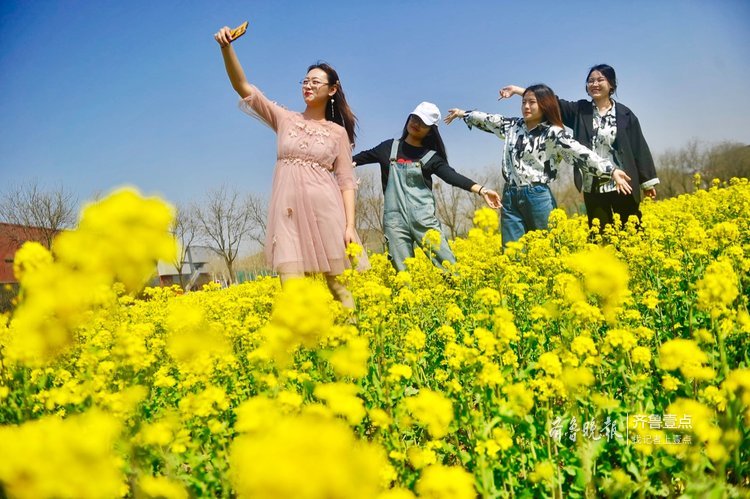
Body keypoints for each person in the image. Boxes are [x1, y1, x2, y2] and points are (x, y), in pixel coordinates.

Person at [214, 25, 368, 308]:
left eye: (316, 82)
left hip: (326, 211)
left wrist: (349, 226)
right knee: (292, 289)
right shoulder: (285, 118)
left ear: (332, 90)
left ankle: (355, 342)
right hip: (287, 214)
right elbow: (243, 86)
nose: (308, 85)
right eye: (305, 81)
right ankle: (305, 346)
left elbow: (346, 181)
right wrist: (226, 48)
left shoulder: (337, 133)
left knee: (338, 286)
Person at [445, 84, 632, 246]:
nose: (526, 106)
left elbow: (581, 152)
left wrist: (611, 170)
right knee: (512, 252)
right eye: (523, 102)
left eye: (532, 102)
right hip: (510, 196)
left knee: (546, 248)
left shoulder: (553, 133)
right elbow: (487, 119)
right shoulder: (512, 126)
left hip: (538, 196)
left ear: (544, 105)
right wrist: (462, 114)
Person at [500, 64, 659, 231]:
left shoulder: (625, 114)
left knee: (631, 232)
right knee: (601, 236)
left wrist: (647, 183)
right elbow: (550, 101)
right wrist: (517, 90)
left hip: (623, 183)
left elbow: (638, 147)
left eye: (600, 80)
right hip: (594, 185)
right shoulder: (580, 111)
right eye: (590, 81)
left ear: (611, 84)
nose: (594, 84)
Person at [352, 102, 501, 272]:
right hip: (394, 222)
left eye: (423, 123)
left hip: (423, 219)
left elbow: (451, 176)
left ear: (430, 130)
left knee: (449, 267)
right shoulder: (388, 148)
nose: (416, 124)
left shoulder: (431, 157)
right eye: (414, 118)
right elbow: (356, 159)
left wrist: (482, 190)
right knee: (402, 272)